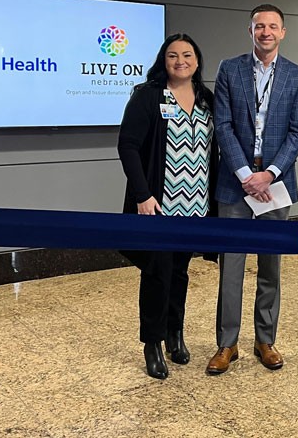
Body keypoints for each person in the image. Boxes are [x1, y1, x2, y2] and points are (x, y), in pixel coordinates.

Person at [208, 3, 298, 375]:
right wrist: (243, 173)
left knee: (271, 268)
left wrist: (268, 173)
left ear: (283, 32)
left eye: (273, 26)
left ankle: (265, 339)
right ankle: (227, 343)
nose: (266, 32)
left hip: (275, 186)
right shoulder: (229, 69)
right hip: (235, 186)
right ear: (249, 31)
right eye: (259, 26)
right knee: (230, 268)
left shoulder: (297, 76)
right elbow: (222, 124)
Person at [118, 33, 218, 380]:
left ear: (197, 60)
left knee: (179, 271)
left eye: (187, 55)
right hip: (157, 206)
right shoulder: (147, 96)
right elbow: (128, 146)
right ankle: (153, 343)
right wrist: (142, 195)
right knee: (157, 273)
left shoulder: (206, 99)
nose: (180, 61)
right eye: (173, 55)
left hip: (196, 205)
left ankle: (176, 333)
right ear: (163, 60)